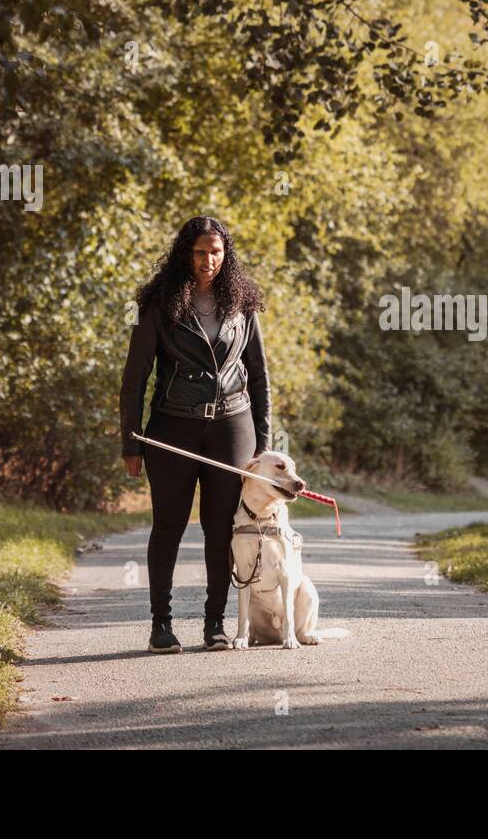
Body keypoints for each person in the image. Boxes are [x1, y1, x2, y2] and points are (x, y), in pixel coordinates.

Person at [119, 215, 271, 653]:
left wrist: (262, 444)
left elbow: (259, 376)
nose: (209, 261)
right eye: (201, 252)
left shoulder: (242, 304)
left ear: (227, 255)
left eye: (217, 252)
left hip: (233, 425)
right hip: (172, 426)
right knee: (168, 526)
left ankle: (215, 625)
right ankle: (161, 625)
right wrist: (131, 441)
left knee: (220, 528)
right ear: (186, 254)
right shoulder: (157, 305)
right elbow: (134, 378)